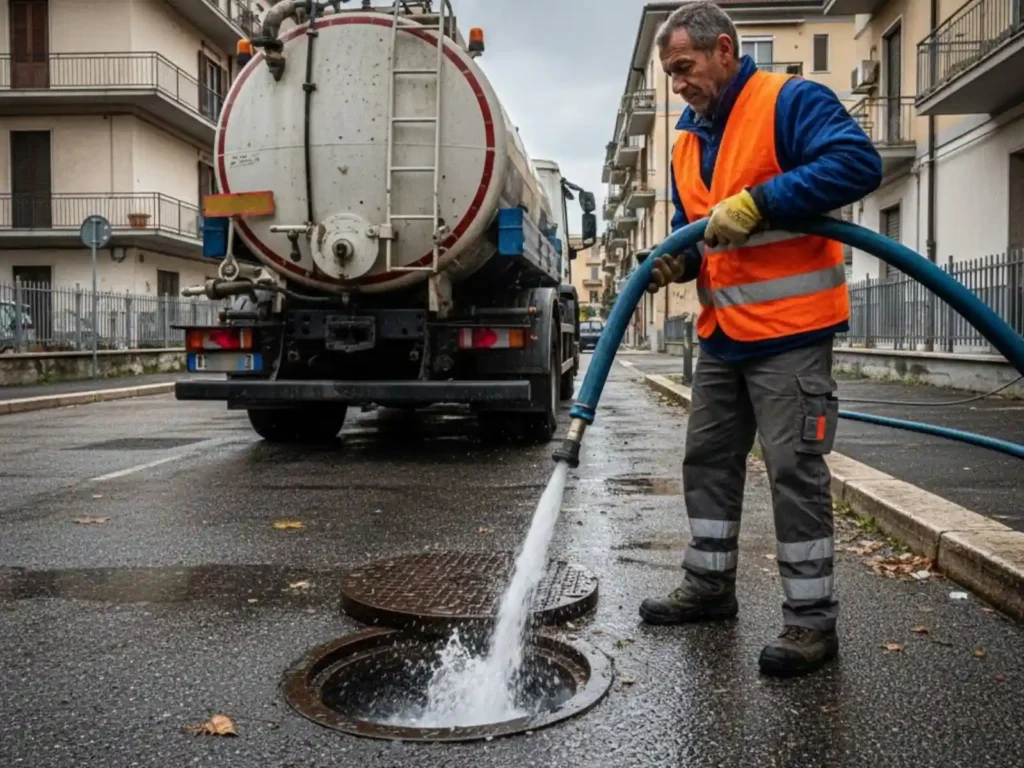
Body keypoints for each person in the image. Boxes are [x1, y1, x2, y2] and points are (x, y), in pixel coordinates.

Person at [638, 0, 883, 678]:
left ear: (723, 50)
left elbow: (857, 163)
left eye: (684, 66)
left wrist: (761, 201)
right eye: (669, 73)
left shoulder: (789, 101)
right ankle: (710, 586)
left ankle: (810, 622)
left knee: (793, 471)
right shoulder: (686, 141)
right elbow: (698, 232)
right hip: (723, 334)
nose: (677, 83)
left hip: (791, 334)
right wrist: (678, 262)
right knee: (708, 460)